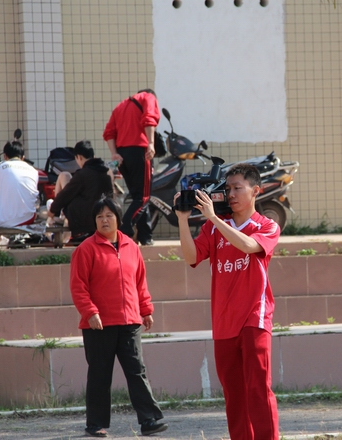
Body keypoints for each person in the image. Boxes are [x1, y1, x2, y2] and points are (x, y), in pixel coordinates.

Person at [175, 163, 280, 440]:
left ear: (255, 191)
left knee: (258, 389)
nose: (230, 194)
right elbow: (191, 257)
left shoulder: (267, 225)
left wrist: (213, 217)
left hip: (255, 318)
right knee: (234, 395)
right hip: (224, 322)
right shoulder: (213, 228)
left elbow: (248, 245)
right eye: (228, 188)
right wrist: (183, 220)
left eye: (237, 188)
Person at [70, 197, 168, 438]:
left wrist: (145, 309)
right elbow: (78, 286)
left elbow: (140, 282)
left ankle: (149, 420)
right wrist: (90, 312)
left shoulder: (132, 247)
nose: (104, 220)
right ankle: (95, 424)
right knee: (100, 374)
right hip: (99, 324)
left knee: (137, 371)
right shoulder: (86, 249)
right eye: (99, 216)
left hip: (130, 322)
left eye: (109, 215)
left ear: (118, 218)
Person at [103, 89, 160, 246]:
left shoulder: (120, 106)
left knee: (138, 198)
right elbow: (149, 118)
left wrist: (114, 154)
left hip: (122, 156)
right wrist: (151, 143)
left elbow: (109, 133)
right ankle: (123, 229)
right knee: (143, 197)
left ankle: (145, 236)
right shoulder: (148, 97)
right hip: (140, 152)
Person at [48, 140, 115, 244]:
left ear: (79, 157)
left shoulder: (82, 174)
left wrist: (52, 211)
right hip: (103, 216)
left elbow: (64, 195)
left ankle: (57, 216)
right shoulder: (107, 171)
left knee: (64, 178)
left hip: (83, 221)